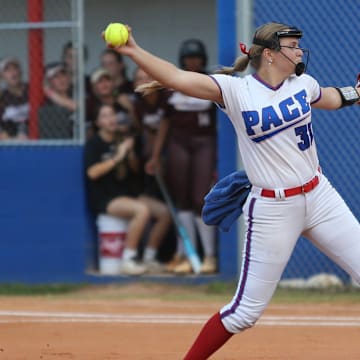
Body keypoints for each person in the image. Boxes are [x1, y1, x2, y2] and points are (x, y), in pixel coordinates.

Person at [110, 21, 360, 358]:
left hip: (320, 196)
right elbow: (175, 77)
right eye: (292, 45)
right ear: (270, 54)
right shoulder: (236, 90)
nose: (300, 50)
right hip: (273, 209)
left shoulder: (303, 83)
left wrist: (356, 93)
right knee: (244, 312)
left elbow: (328, 97)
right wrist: (132, 51)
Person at [155, 39, 218, 274]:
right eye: (189, 58)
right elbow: (164, 122)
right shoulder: (173, 84)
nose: (193, 62)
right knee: (181, 200)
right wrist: (155, 155)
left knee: (200, 199)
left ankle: (208, 256)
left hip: (204, 143)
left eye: (197, 58)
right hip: (178, 143)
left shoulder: (210, 82)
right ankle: (184, 255)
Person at [84, 103, 171, 275]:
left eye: (112, 115)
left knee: (164, 213)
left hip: (128, 193)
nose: (110, 119)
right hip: (106, 198)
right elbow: (92, 173)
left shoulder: (122, 139)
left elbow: (134, 170)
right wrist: (118, 156)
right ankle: (128, 259)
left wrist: (130, 153)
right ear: (98, 122)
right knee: (142, 210)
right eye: (105, 116)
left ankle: (149, 257)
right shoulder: (94, 144)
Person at [38, 62, 76, 139]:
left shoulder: (76, 94)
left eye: (63, 74)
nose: (61, 79)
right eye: (55, 76)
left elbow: (75, 106)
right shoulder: (44, 102)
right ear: (48, 81)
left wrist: (49, 92)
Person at [0, 57, 29, 140]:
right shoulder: (2, 96)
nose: (13, 73)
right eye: (7, 70)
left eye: (15, 68)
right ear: (1, 76)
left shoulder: (32, 89)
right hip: (11, 135)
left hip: (33, 133)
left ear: (20, 72)